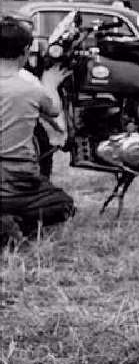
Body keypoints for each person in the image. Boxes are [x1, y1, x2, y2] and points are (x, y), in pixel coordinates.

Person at [0, 15, 74, 243]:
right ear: (25, 51)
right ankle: (14, 222)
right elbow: (54, 112)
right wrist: (50, 83)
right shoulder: (30, 88)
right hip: (15, 177)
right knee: (63, 206)